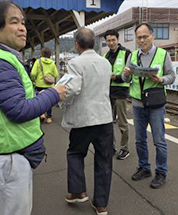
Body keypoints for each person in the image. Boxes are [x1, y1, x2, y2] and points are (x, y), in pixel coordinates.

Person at [0, 0, 67, 215]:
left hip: (10, 157)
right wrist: (53, 94)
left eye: (23, 22)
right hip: (8, 161)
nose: (23, 27)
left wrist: (39, 95)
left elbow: (15, 101)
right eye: (14, 22)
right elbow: (18, 111)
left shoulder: (2, 59)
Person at [62, 28, 113, 215]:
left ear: (76, 44)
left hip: (83, 119)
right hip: (104, 119)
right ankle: (101, 205)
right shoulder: (105, 63)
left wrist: (61, 100)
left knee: (75, 153)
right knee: (104, 160)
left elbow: (73, 89)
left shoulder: (75, 62)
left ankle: (77, 191)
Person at [122, 22, 175, 189]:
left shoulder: (163, 54)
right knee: (140, 140)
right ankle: (144, 168)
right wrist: (125, 74)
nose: (142, 40)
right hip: (138, 104)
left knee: (159, 141)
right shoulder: (133, 55)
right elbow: (126, 80)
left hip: (156, 104)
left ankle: (161, 172)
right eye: (139, 37)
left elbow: (171, 76)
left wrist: (161, 80)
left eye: (145, 36)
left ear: (152, 36)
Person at [103, 29, 131, 160]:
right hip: (108, 92)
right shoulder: (105, 56)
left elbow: (130, 73)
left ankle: (124, 148)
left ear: (118, 40)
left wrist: (117, 77)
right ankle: (111, 147)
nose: (111, 43)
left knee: (122, 122)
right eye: (108, 40)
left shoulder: (127, 53)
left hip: (121, 91)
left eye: (113, 40)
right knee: (108, 122)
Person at [31, 47, 59, 124]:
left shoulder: (38, 61)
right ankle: (49, 117)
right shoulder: (52, 63)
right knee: (49, 101)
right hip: (50, 85)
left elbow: (33, 73)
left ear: (42, 53)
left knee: (39, 100)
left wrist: (34, 80)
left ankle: (41, 114)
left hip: (39, 84)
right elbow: (56, 74)